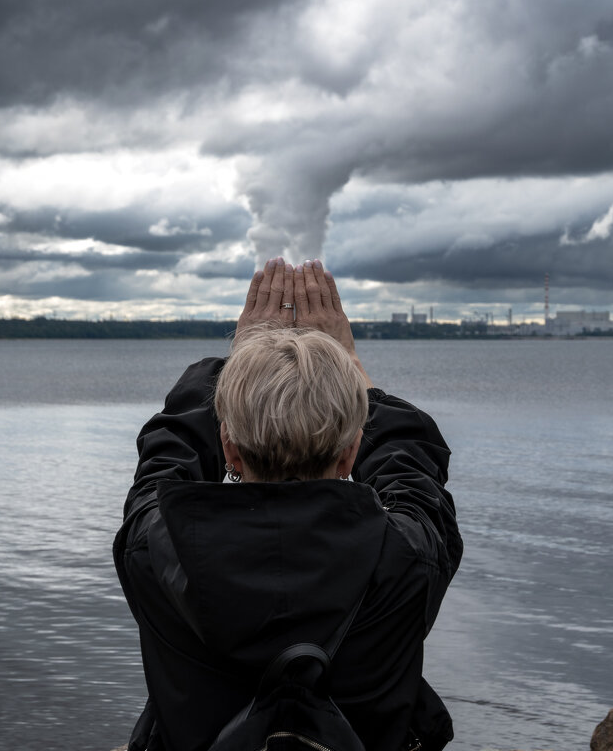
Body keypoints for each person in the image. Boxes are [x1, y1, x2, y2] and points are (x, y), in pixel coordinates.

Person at [113, 258, 462, 751]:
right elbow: (411, 468)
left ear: (228, 448)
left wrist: (244, 355)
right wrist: (349, 362)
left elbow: (166, 457)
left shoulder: (156, 551)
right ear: (351, 453)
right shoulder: (408, 558)